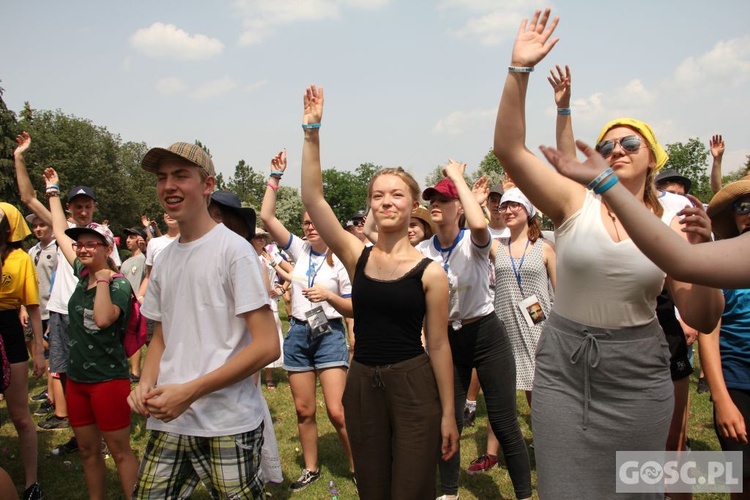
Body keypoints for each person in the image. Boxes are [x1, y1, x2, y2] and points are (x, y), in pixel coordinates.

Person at [493, 9, 724, 498]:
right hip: (565, 366)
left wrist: (702, 255)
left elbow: (701, 317)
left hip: (638, 371)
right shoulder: (575, 202)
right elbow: (510, 150)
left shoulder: (672, 224)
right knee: (565, 489)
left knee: (637, 487)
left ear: (653, 158)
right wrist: (519, 70)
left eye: (629, 143)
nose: (615, 148)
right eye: (607, 144)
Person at [298, 84, 458, 499]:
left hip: (413, 385)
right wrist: (311, 133)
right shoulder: (357, 255)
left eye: (397, 194)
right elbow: (313, 199)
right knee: (372, 487)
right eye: (378, 195)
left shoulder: (431, 273)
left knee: (411, 487)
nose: (387, 202)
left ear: (411, 206)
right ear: (371, 204)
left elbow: (439, 345)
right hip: (362, 383)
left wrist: (448, 413)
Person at [128, 142, 280, 499]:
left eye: (181, 175)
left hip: (227, 422)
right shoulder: (164, 259)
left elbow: (268, 345)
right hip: (170, 418)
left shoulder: (234, 251)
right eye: (162, 178)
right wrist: (145, 384)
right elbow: (161, 337)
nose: (169, 186)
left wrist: (190, 391)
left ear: (207, 184)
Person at [418, 164, 532, 500]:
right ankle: (449, 493)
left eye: (444, 199)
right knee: (447, 418)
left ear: (459, 208)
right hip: (447, 342)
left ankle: (524, 495)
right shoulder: (423, 252)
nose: (436, 203)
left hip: (486, 334)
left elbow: (480, 222)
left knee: (505, 421)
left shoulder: (475, 240)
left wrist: (458, 180)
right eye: (432, 199)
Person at [260, 148, 356, 492]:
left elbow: (356, 305)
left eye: (314, 221)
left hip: (328, 333)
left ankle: (357, 467)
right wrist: (275, 177)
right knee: (303, 410)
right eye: (305, 223)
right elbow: (267, 217)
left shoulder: (343, 258)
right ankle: (311, 468)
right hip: (299, 333)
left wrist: (329, 297)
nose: (310, 226)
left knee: (337, 411)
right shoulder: (299, 250)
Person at [43, 169, 139, 499]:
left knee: (120, 449)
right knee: (87, 450)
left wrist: (101, 277)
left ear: (105, 247)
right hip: (78, 381)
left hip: (108, 381)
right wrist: (53, 192)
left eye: (89, 245)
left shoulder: (118, 284)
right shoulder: (79, 271)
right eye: (79, 245)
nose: (82, 249)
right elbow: (59, 230)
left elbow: (102, 319)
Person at [468, 188, 556, 475]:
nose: (507, 211)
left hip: (537, 328)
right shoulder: (497, 247)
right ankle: (491, 454)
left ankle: (548, 452)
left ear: (528, 211)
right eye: (503, 206)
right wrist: (476, 201)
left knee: (538, 396)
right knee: (499, 394)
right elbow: (475, 227)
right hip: (503, 328)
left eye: (514, 205)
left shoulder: (544, 248)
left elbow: (561, 292)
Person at [696, 177, 750, 499]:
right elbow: (708, 333)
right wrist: (722, 400)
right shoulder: (721, 260)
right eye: (743, 206)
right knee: (743, 481)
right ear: (733, 215)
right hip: (736, 384)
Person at [0, 202, 45, 500]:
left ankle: (32, 483)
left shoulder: (20, 259)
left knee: (20, 415)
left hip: (9, 331)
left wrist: (39, 350)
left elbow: (33, 307)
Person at [25, 213, 58, 416]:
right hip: (34, 308)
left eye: (42, 225)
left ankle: (53, 395)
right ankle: (49, 390)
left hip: (50, 308)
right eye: (35, 226)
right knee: (41, 350)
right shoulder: (32, 250)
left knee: (51, 353)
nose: (38, 229)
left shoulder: (57, 250)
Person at [120, 226, 147, 382]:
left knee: (136, 336)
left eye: (132, 237)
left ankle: (136, 372)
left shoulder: (143, 259)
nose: (128, 240)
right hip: (125, 304)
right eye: (127, 237)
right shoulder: (127, 261)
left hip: (138, 305)